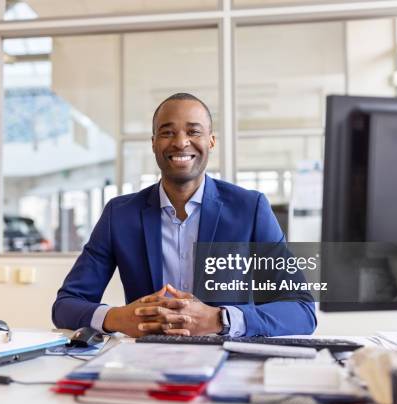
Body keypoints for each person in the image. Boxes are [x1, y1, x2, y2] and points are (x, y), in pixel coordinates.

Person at [52, 93, 316, 337]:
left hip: (229, 359)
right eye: (167, 132)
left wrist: (220, 319)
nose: (180, 142)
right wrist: (117, 318)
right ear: (154, 143)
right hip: (144, 361)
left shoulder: (250, 209)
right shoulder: (119, 215)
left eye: (193, 131)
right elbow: (65, 306)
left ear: (211, 141)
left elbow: (302, 310)